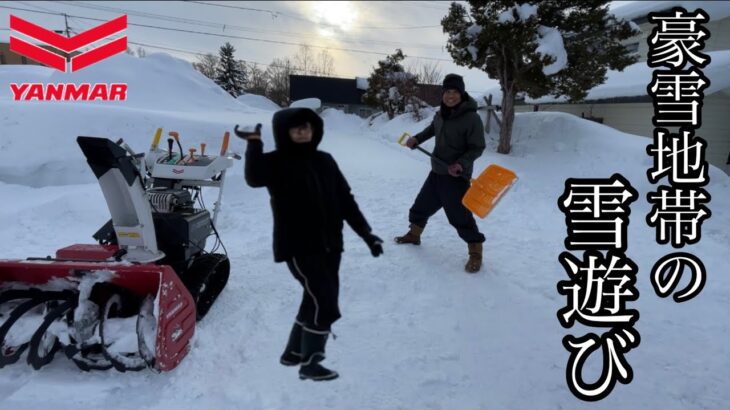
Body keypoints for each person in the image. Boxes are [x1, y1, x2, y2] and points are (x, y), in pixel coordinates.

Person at [236, 108, 383, 381]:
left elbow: (345, 200)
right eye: (296, 128)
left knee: (312, 297)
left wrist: (367, 234)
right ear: (285, 132)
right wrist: (254, 142)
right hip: (298, 245)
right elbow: (254, 178)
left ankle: (293, 352)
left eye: (307, 127)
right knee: (324, 302)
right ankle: (311, 362)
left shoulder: (325, 160)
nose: (303, 132)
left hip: (331, 244)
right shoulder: (277, 161)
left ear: (315, 130)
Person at [394, 73, 486, 273]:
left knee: (459, 217)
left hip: (456, 177)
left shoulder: (472, 118)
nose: (450, 96)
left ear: (461, 94)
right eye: (447, 92)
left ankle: (475, 251)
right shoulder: (441, 113)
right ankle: (414, 235)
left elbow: (477, 147)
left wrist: (460, 164)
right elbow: (432, 129)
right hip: (437, 171)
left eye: (454, 92)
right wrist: (417, 139)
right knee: (421, 206)